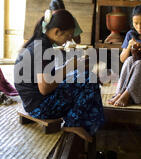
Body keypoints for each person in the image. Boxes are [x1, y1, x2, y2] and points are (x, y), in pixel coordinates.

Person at [14, 9, 104, 143]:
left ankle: (87, 123)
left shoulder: (39, 41)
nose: (69, 40)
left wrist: (72, 68)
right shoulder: (42, 48)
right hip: (40, 107)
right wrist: (70, 67)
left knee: (83, 75)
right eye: (68, 36)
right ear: (57, 31)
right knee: (88, 79)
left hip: (32, 102)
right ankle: (74, 123)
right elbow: (45, 88)